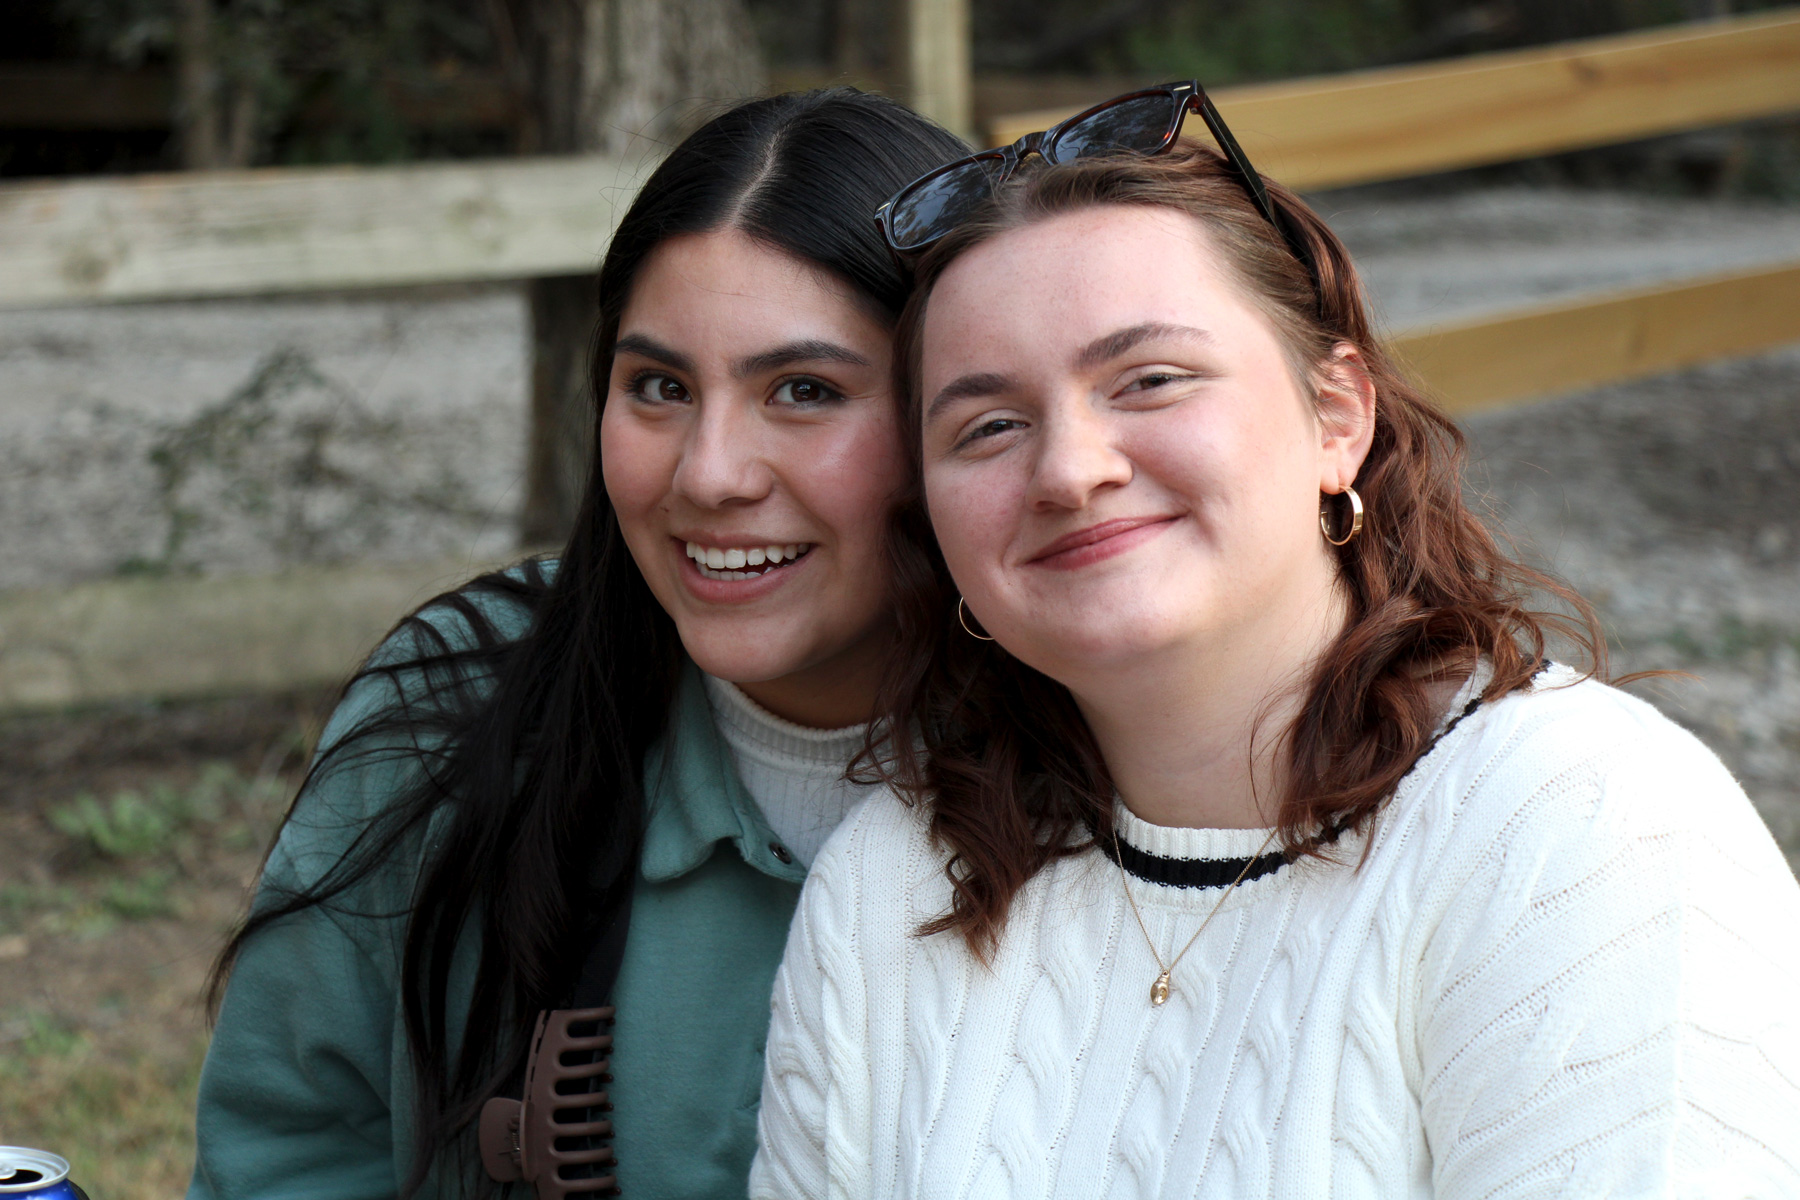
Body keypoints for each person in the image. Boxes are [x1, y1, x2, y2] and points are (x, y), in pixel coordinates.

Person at [753, 92, 1800, 1197]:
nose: (1068, 469)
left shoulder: (1574, 832)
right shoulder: (895, 884)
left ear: (1337, 417)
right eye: (989, 426)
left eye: (1149, 379)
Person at [190, 88, 966, 1200]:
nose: (707, 473)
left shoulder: (1115, 754)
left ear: (963, 410)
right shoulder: (452, 717)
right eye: (658, 386)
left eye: (804, 391)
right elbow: (289, 1157)